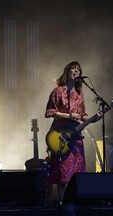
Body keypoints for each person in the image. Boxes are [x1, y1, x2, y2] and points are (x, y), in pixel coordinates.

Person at [44, 61, 102, 204]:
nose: (76, 72)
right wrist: (68, 116)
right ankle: (62, 202)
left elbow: (82, 115)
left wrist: (94, 118)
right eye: (73, 69)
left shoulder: (79, 93)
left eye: (78, 70)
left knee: (77, 170)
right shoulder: (58, 91)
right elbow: (50, 112)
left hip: (76, 136)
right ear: (67, 72)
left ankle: (76, 204)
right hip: (61, 135)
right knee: (62, 170)